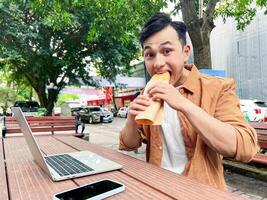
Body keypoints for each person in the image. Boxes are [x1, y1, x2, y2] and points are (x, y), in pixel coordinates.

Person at [119, 12, 258, 190]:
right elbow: (129, 145)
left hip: (201, 192)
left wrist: (184, 105)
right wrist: (131, 119)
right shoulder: (148, 94)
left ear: (185, 52)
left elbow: (245, 148)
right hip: (156, 189)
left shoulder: (218, 88)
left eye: (167, 51)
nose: (158, 63)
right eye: (150, 55)